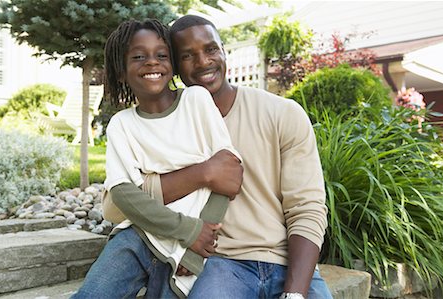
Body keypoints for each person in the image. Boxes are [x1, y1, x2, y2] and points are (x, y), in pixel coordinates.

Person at [104, 15, 332, 299]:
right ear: (174, 65)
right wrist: (204, 173)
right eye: (187, 55)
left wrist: (295, 294)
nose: (203, 62)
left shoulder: (283, 114)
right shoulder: (164, 125)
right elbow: (115, 207)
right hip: (221, 265)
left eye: (211, 49)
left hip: (287, 263)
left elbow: (307, 209)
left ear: (224, 51)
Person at [72, 18, 242, 298]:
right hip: (137, 238)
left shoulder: (196, 100)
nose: (152, 62)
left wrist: (198, 243)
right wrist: (188, 230)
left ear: (172, 64)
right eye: (139, 56)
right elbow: (124, 194)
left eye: (161, 55)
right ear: (121, 72)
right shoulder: (122, 124)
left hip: (188, 249)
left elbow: (229, 175)